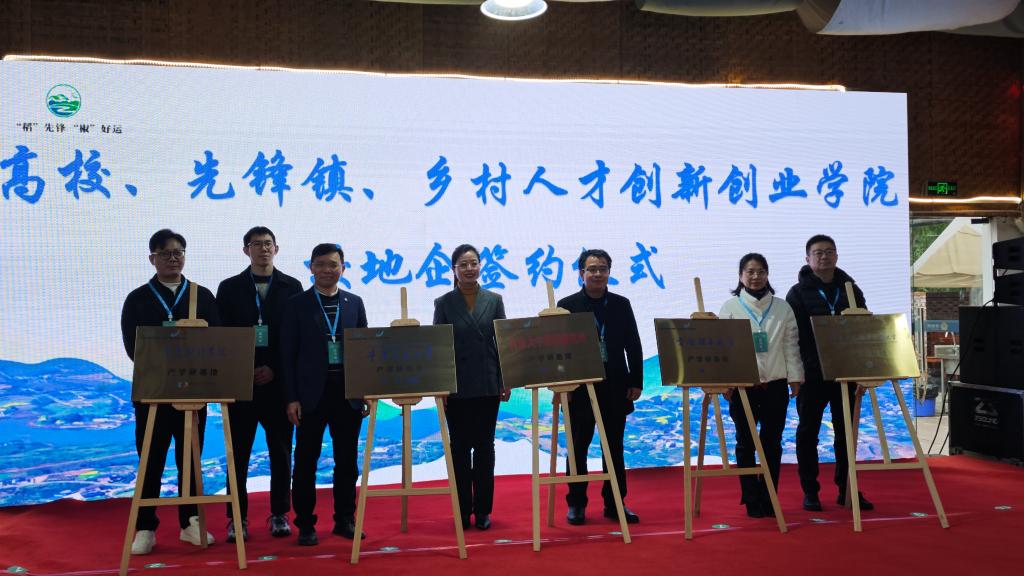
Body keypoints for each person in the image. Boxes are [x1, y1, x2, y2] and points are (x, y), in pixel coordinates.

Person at [120, 229, 219, 555]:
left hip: (193, 394)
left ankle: (190, 521)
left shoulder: (203, 296)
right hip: (153, 394)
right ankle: (145, 527)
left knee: (189, 459)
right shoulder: (137, 299)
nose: (173, 259)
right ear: (153, 258)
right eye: (165, 253)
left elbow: (217, 343)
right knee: (150, 460)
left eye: (178, 253)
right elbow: (133, 348)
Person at [216, 226, 302, 542]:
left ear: (276, 249)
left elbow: (295, 336)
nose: (263, 249)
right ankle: (236, 518)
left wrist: (274, 369)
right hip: (242, 385)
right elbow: (222, 336)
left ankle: (279, 514)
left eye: (268, 244)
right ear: (246, 250)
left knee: (281, 452)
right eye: (256, 244)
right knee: (237, 454)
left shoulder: (292, 286)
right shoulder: (229, 288)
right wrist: (245, 369)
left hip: (278, 386)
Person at [282, 243, 368, 546]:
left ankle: (345, 519)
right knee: (306, 462)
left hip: (347, 393)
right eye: (320, 264)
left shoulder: (354, 303)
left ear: (343, 267)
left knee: (347, 462)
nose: (327, 270)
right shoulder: (296, 304)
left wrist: (365, 391)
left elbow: (364, 352)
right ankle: (305, 524)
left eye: (333, 264)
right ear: (311, 268)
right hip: (310, 396)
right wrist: (291, 398)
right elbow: (287, 355)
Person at [786, 234, 873, 512]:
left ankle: (847, 489)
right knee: (808, 432)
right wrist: (797, 373)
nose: (824, 256)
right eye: (818, 252)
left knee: (846, 432)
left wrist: (863, 372)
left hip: (845, 373)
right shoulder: (796, 293)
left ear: (836, 255)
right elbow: (792, 338)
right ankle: (810, 491)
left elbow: (863, 332)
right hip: (812, 375)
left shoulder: (851, 290)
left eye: (829, 251)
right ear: (808, 258)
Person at [557, 249, 643, 526]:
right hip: (579, 388)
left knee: (614, 448)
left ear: (609, 272)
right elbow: (560, 351)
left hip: (616, 386)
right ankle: (576, 504)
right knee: (577, 447)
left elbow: (633, 343)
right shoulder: (566, 305)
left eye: (602, 268)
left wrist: (636, 380)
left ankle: (615, 503)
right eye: (592, 269)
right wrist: (564, 387)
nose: (597, 273)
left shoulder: (621, 304)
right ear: (581, 273)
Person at [718, 253, 803, 518]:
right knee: (745, 443)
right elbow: (724, 352)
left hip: (775, 386)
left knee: (772, 443)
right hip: (742, 386)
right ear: (741, 275)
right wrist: (726, 383)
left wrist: (795, 377)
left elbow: (791, 346)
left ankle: (769, 496)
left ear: (767, 274)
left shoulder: (782, 307)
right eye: (750, 271)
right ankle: (750, 497)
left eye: (760, 271)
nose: (755, 277)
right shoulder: (730, 307)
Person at [432, 244, 508, 530]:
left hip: (488, 383)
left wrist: (505, 379)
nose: (469, 268)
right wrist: (441, 386)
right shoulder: (444, 302)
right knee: (460, 448)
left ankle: (483, 510)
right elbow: (439, 348)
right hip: (457, 387)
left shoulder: (494, 299)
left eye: (473, 263)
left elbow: (502, 342)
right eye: (463, 264)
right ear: (454, 269)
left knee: (485, 447)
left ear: (480, 266)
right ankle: (462, 510)